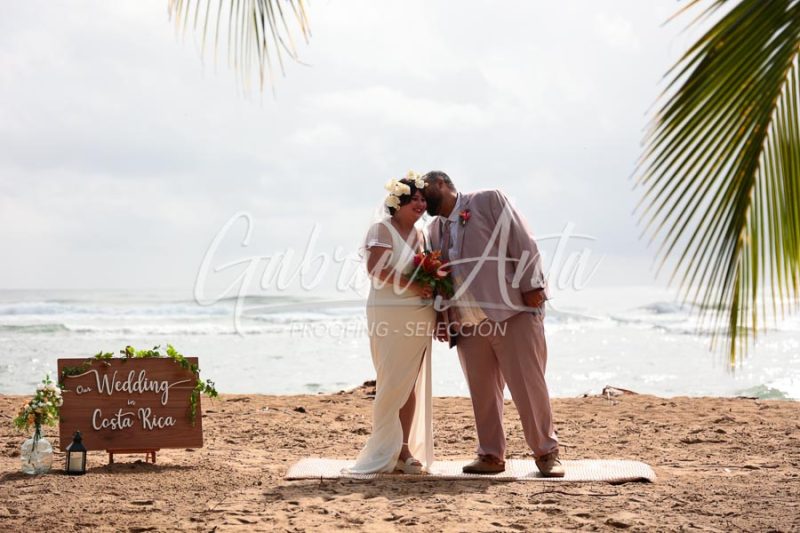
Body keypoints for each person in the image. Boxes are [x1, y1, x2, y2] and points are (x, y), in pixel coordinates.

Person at [422, 170, 564, 477]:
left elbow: (522, 240)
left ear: (442, 184)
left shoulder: (487, 201)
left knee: (529, 386)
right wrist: (442, 318)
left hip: (512, 311)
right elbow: (439, 280)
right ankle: (490, 455)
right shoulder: (433, 230)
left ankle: (546, 453)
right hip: (468, 323)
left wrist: (533, 285)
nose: (420, 197)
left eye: (425, 188)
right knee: (482, 392)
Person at [345, 174, 436, 474]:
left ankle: (404, 449)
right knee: (391, 380)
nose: (420, 204)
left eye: (423, 200)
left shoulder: (421, 235)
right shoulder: (382, 229)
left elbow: (426, 270)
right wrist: (414, 285)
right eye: (414, 199)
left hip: (419, 314)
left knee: (409, 382)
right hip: (389, 313)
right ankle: (384, 446)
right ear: (397, 202)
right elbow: (376, 269)